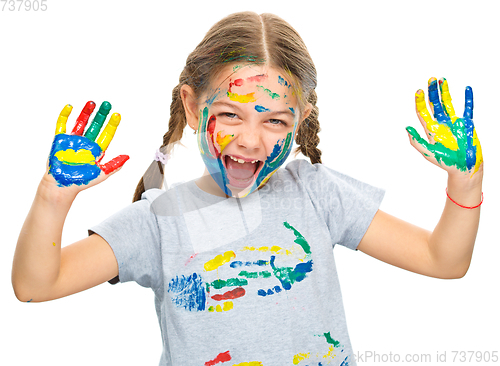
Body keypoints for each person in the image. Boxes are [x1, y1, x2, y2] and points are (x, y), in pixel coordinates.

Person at [12, 11, 483, 366]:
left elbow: (444, 261)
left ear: (300, 122)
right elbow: (35, 286)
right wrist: (54, 197)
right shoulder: (159, 221)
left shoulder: (317, 194)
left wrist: (467, 181)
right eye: (232, 114)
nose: (251, 139)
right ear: (193, 107)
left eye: (274, 120)